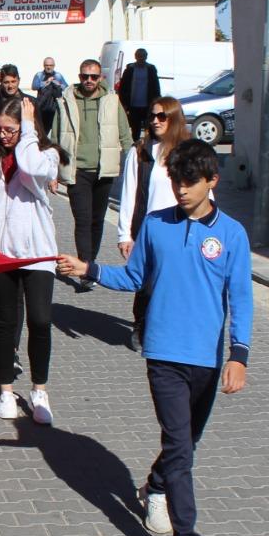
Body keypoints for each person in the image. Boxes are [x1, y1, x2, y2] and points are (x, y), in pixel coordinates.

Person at [55, 139, 251, 536]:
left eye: (190, 182)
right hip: (163, 354)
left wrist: (239, 356)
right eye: (176, 182)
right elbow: (134, 278)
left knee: (186, 446)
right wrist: (89, 270)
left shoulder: (232, 234)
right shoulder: (157, 226)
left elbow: (241, 299)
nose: (181, 190)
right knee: (181, 448)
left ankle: (154, 486)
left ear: (212, 182)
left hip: (207, 357)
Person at [0, 97, 64, 424]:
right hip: (0, 252)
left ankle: (40, 390)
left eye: (11, 129)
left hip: (37, 251)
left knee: (39, 320)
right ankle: (6, 390)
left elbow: (31, 168)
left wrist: (27, 134)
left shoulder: (44, 154)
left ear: (26, 127)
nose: (5, 135)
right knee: (6, 324)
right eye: (0, 130)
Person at [116, 96, 192, 351]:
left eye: (162, 116)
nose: (156, 121)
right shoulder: (140, 151)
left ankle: (169, 329)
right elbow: (129, 193)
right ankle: (141, 327)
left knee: (174, 282)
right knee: (146, 284)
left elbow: (202, 191)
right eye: (153, 116)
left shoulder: (187, 151)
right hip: (148, 229)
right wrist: (125, 233)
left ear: (174, 119)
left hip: (181, 228)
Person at [56, 59, 133, 289]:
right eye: (84, 76)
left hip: (104, 171)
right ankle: (86, 268)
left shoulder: (111, 100)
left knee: (97, 221)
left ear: (100, 78)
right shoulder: (65, 101)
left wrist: (132, 164)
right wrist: (52, 171)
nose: (88, 81)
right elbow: (54, 136)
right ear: (79, 77)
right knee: (83, 220)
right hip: (76, 170)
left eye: (93, 76)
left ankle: (90, 263)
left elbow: (125, 133)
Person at [115, 48, 162, 140]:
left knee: (149, 127)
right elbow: (123, 87)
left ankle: (149, 145)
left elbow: (156, 86)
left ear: (146, 57)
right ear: (135, 57)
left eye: (143, 56)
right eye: (139, 56)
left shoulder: (151, 69)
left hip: (147, 104)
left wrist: (156, 101)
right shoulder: (130, 69)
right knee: (135, 129)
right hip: (133, 105)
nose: (141, 58)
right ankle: (135, 147)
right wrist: (123, 103)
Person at [31, 57, 68, 135]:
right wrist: (46, 82)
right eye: (47, 65)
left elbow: (66, 87)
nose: (49, 67)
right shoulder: (39, 75)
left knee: (54, 130)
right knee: (41, 130)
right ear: (43, 66)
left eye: (51, 65)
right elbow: (34, 86)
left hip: (54, 107)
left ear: (54, 66)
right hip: (42, 107)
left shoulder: (58, 75)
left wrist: (59, 84)